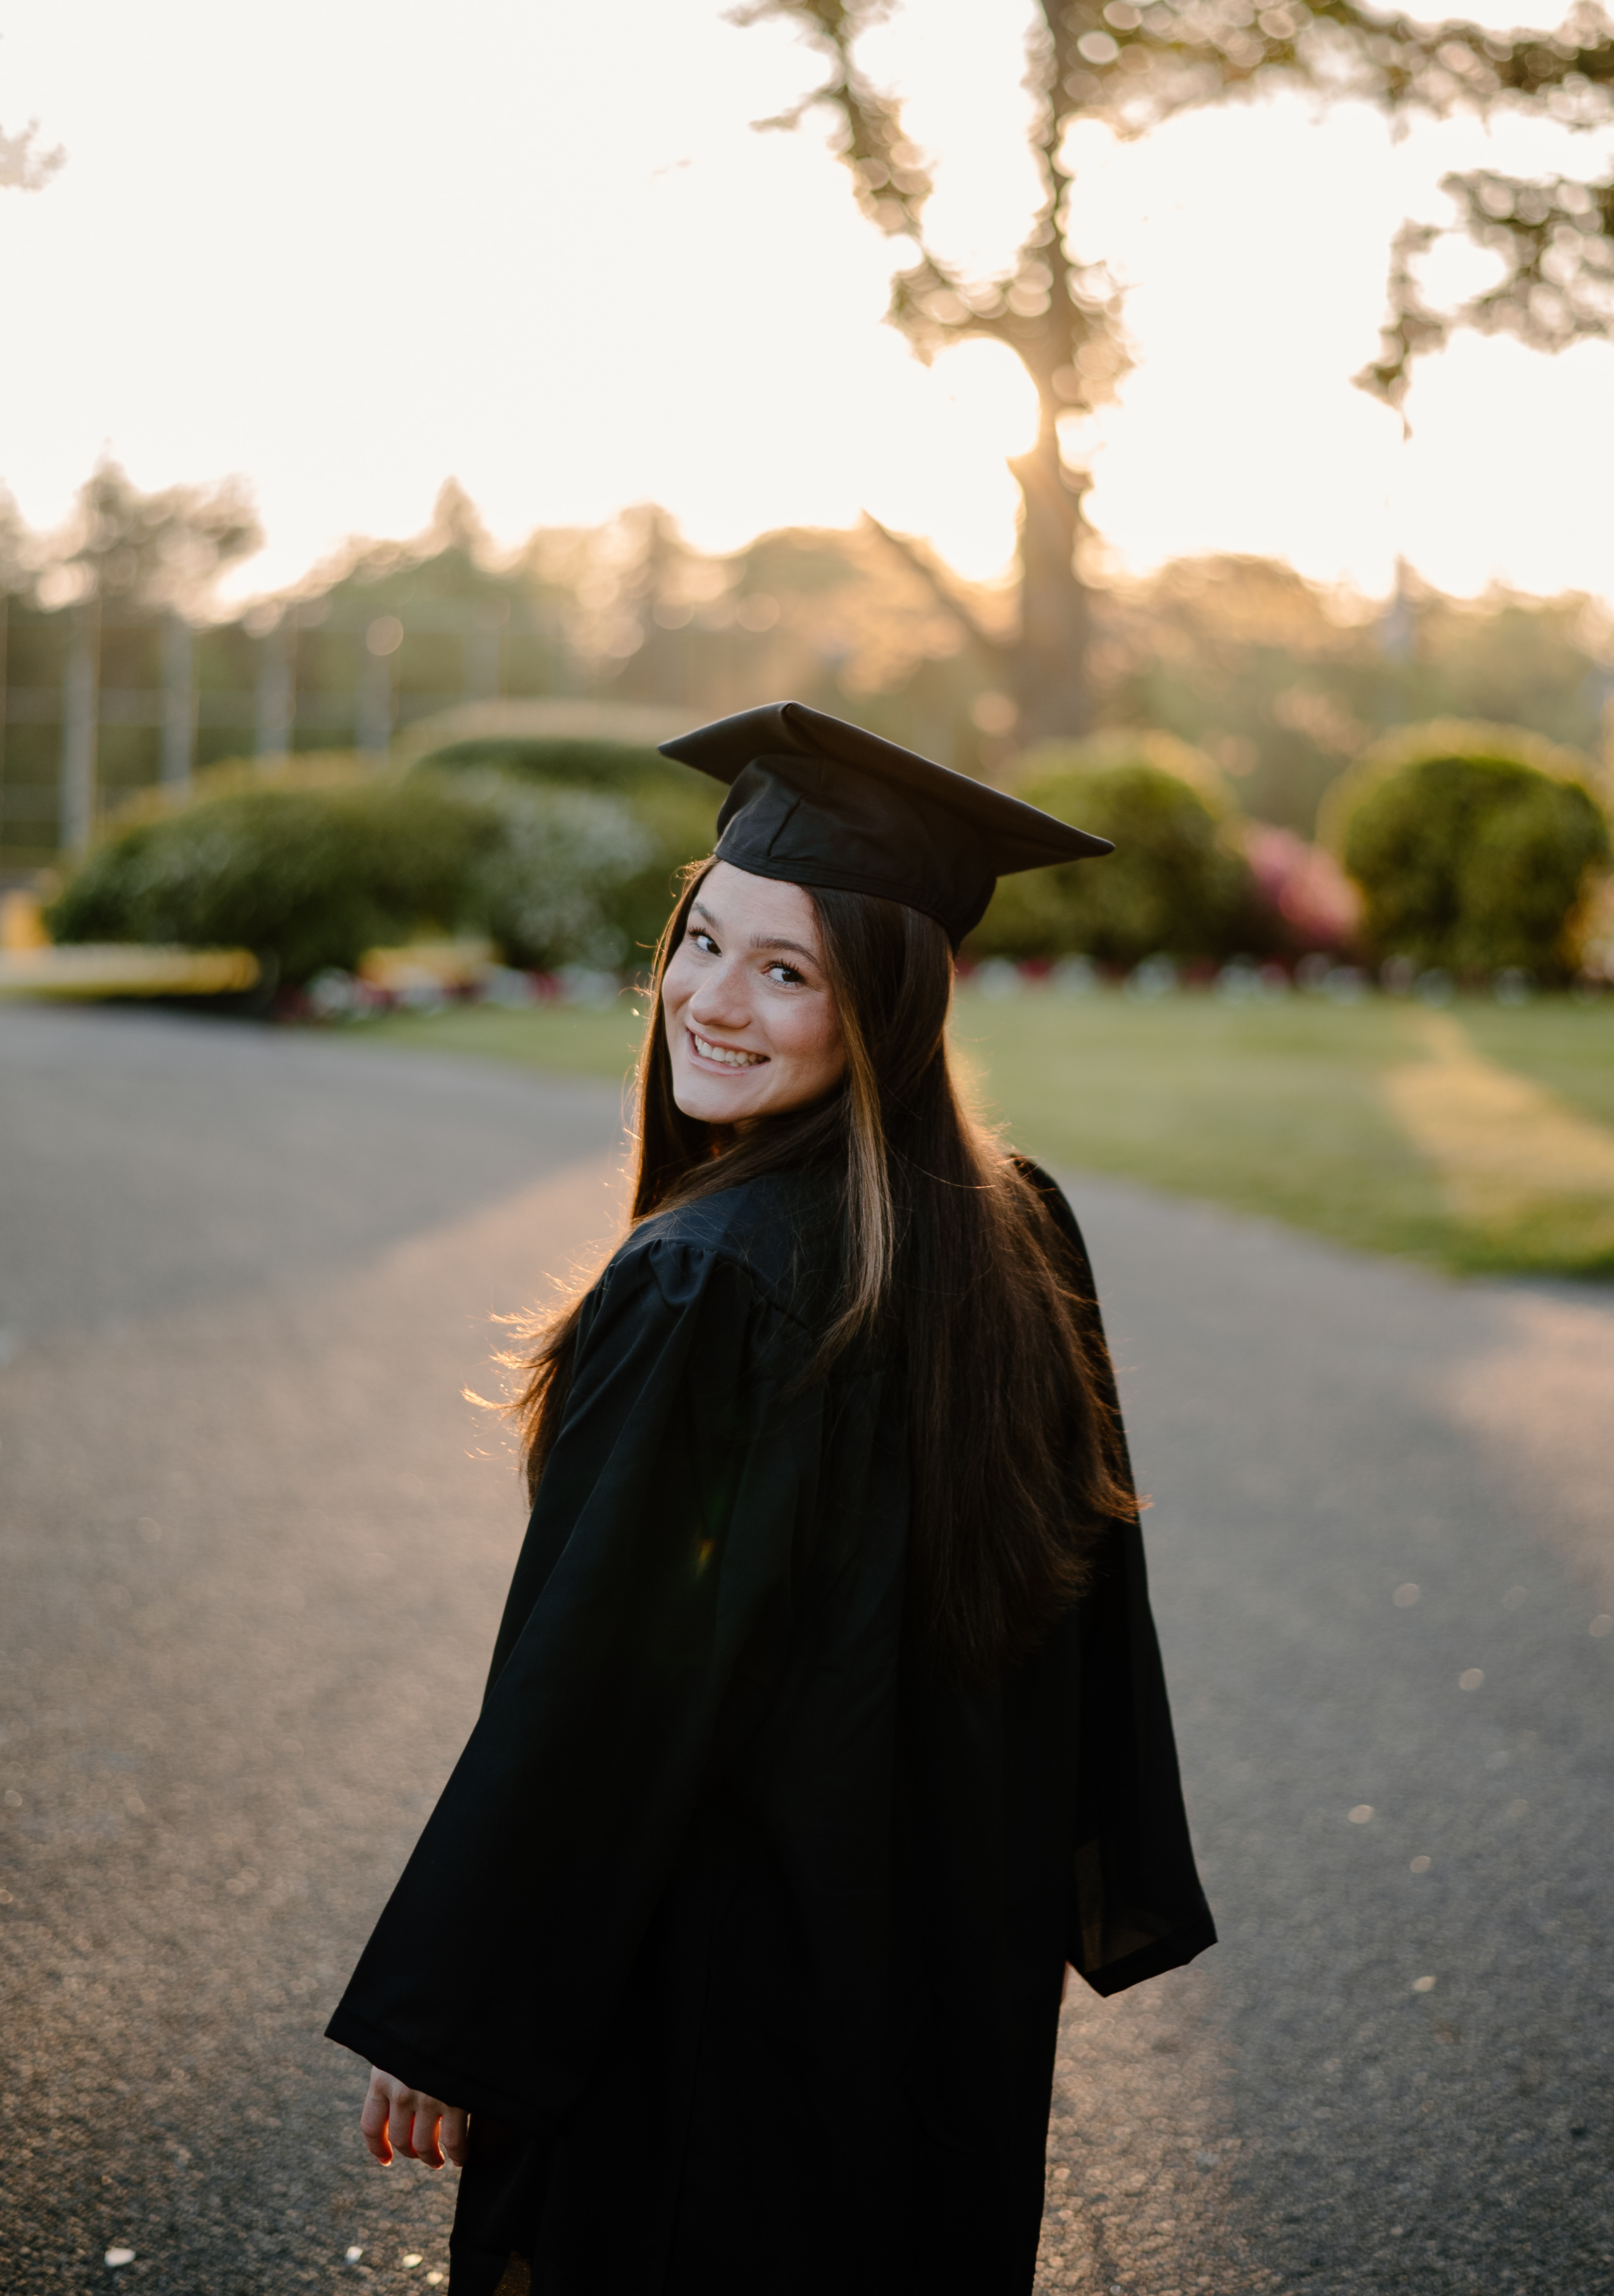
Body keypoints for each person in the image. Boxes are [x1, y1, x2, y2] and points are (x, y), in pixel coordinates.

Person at [327, 701, 1215, 2296]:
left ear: (894, 998)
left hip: (718, 1996)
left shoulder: (697, 1286)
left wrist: (457, 2007)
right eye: (702, 942)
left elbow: (597, 1687)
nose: (709, 1004)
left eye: (784, 970)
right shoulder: (1019, 1227)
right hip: (933, 1980)